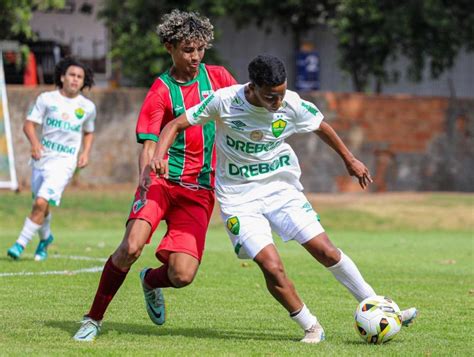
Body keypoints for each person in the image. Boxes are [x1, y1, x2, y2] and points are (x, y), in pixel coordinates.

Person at [149, 54, 418, 344]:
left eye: (280, 94)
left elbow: (321, 126)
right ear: (252, 87)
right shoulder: (224, 101)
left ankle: (382, 307)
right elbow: (175, 124)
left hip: (280, 190)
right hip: (239, 198)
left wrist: (350, 160)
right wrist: (159, 154)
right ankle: (311, 326)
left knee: (326, 250)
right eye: (270, 97)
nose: (278, 103)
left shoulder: (290, 103)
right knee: (271, 265)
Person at [73, 10, 236, 342]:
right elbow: (148, 143)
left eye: (200, 49)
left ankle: (150, 280)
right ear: (169, 48)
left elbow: (246, 108)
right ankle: (93, 318)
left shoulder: (218, 78)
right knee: (131, 246)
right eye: (188, 50)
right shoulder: (161, 90)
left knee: (182, 275)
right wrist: (147, 177)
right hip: (160, 183)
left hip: (199, 190)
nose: (195, 57)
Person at [7, 57, 96, 262]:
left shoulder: (88, 107)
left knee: (41, 201)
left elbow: (89, 132)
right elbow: (29, 125)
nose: (75, 79)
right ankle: (46, 239)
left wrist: (85, 152)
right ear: (62, 77)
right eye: (72, 75)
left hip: (65, 163)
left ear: (84, 82)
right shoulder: (46, 99)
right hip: (42, 160)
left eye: (79, 77)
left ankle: (20, 243)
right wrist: (35, 144)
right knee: (41, 205)